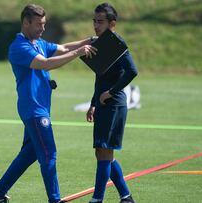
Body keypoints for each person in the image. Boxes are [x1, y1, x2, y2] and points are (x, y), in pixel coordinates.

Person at [0, 4, 96, 203]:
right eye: (38, 24)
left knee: (30, 154)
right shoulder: (19, 47)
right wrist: (78, 52)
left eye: (44, 24)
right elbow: (45, 63)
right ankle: (55, 200)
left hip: (40, 108)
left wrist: (91, 40)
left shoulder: (38, 42)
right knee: (49, 154)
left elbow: (62, 48)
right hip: (34, 109)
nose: (42, 28)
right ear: (25, 23)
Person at [85, 3, 138, 203]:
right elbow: (100, 77)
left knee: (104, 149)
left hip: (114, 104)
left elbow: (132, 71)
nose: (95, 25)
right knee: (102, 151)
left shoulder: (117, 43)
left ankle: (97, 199)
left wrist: (111, 92)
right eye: (94, 21)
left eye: (100, 22)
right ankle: (126, 197)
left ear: (112, 23)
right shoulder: (102, 42)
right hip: (103, 103)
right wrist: (93, 103)